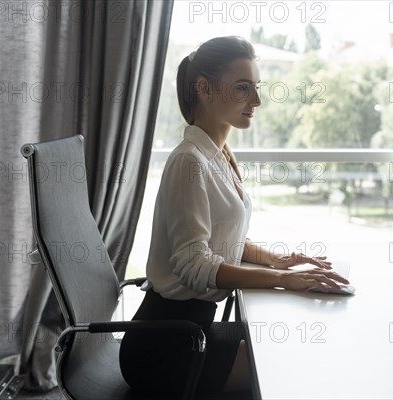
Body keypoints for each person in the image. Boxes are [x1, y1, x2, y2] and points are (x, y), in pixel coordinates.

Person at [119, 36, 348, 397]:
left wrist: (278, 261)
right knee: (290, 372)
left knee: (294, 356)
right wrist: (282, 281)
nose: (256, 101)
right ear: (204, 89)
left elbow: (221, 241)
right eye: (243, 88)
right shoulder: (188, 162)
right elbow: (195, 267)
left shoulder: (217, 155)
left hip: (193, 332)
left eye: (256, 88)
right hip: (166, 347)